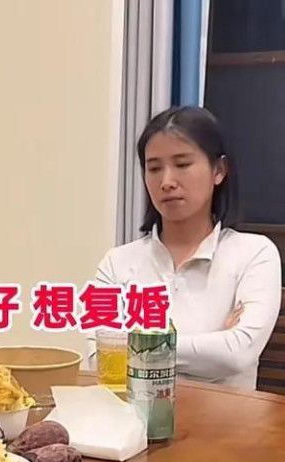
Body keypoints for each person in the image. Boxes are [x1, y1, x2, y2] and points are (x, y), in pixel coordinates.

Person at [89, 106, 281, 390]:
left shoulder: (254, 253)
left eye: (182, 164)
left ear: (219, 170)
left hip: (226, 417)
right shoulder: (117, 263)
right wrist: (213, 344)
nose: (166, 182)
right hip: (132, 416)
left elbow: (238, 354)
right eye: (154, 168)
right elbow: (99, 359)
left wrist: (135, 347)